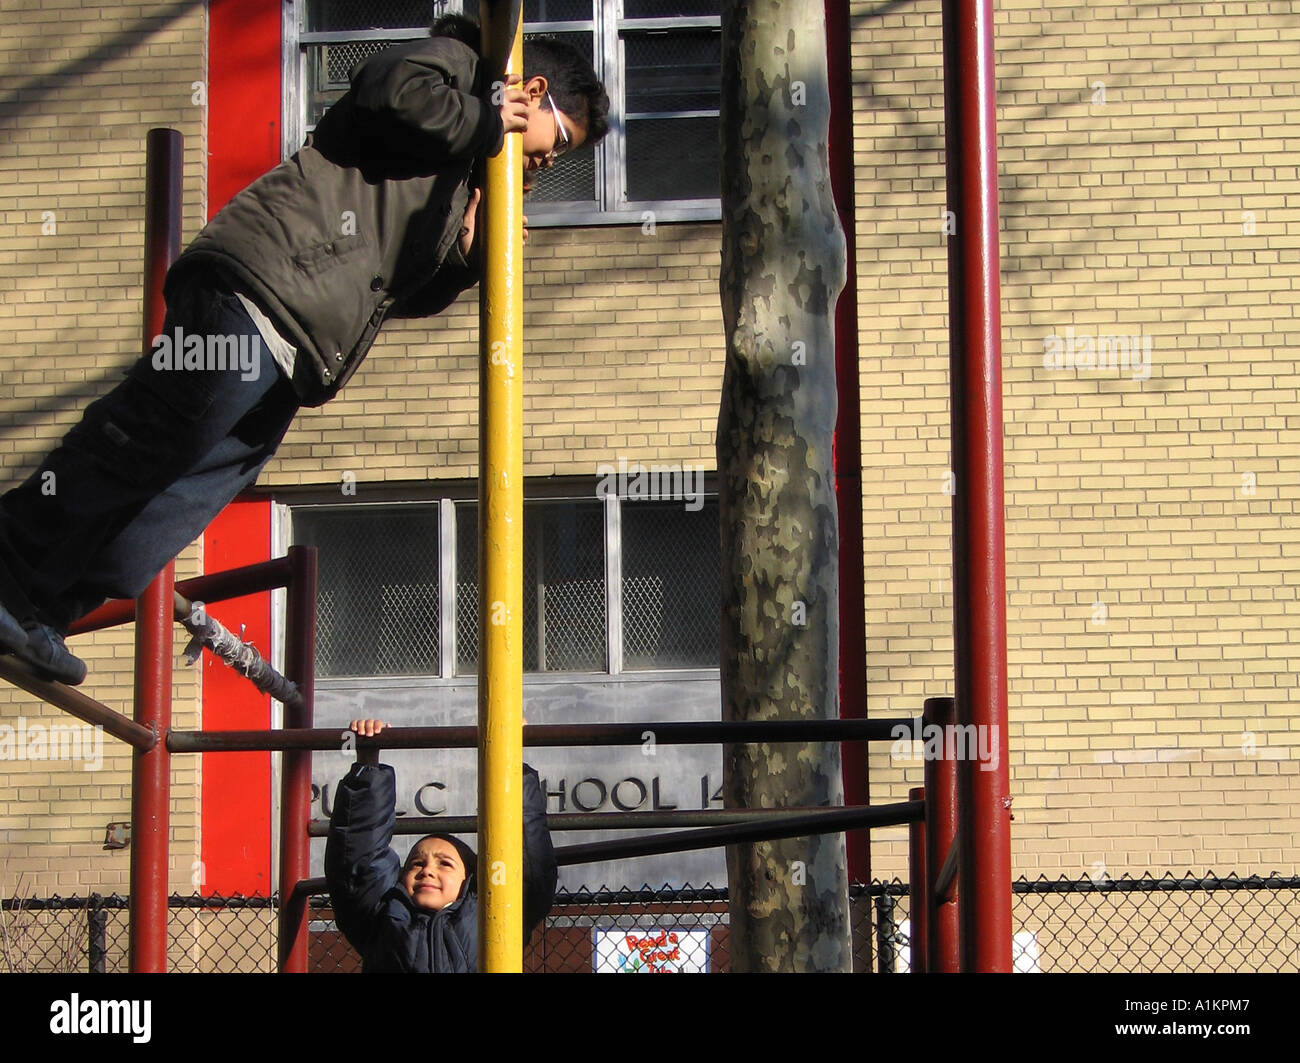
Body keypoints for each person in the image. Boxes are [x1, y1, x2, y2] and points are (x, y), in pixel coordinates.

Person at [0, 16, 609, 684]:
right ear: (536, 91)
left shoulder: (461, 171)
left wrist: (466, 254)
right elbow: (385, 86)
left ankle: (43, 610)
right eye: (562, 140)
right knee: (151, 441)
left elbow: (393, 295)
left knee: (176, 503)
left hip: (299, 350)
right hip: (257, 284)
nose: (551, 162)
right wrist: (488, 119)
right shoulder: (461, 67)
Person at [326, 718, 556, 972]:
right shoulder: (382, 918)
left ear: (470, 881)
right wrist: (367, 764)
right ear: (400, 878)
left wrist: (511, 758)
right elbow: (357, 863)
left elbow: (527, 863)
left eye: (445, 864)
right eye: (416, 863)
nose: (427, 870)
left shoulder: (495, 913)